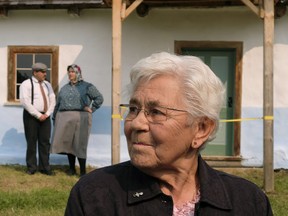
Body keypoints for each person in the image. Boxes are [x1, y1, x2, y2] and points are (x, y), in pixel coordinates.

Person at [64, 52, 273, 215]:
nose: (136, 123)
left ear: (201, 129)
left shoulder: (248, 202)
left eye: (156, 112)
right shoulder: (94, 196)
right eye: (134, 109)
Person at [51, 64, 104, 177]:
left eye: (73, 72)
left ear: (78, 73)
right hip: (64, 117)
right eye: (69, 72)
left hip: (81, 117)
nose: (70, 74)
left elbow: (99, 98)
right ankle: (71, 169)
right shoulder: (64, 88)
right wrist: (55, 117)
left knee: (80, 143)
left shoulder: (87, 86)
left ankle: (83, 172)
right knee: (68, 144)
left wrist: (92, 109)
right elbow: (58, 103)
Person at [20, 62, 56, 175]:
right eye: (43, 72)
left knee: (45, 142)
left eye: (46, 72)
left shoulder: (47, 84)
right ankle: (31, 167)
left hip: (45, 116)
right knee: (31, 142)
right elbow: (25, 102)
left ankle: (45, 167)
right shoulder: (26, 84)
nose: (45, 74)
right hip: (31, 117)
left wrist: (47, 113)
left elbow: (52, 99)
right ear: (35, 72)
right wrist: (38, 115)